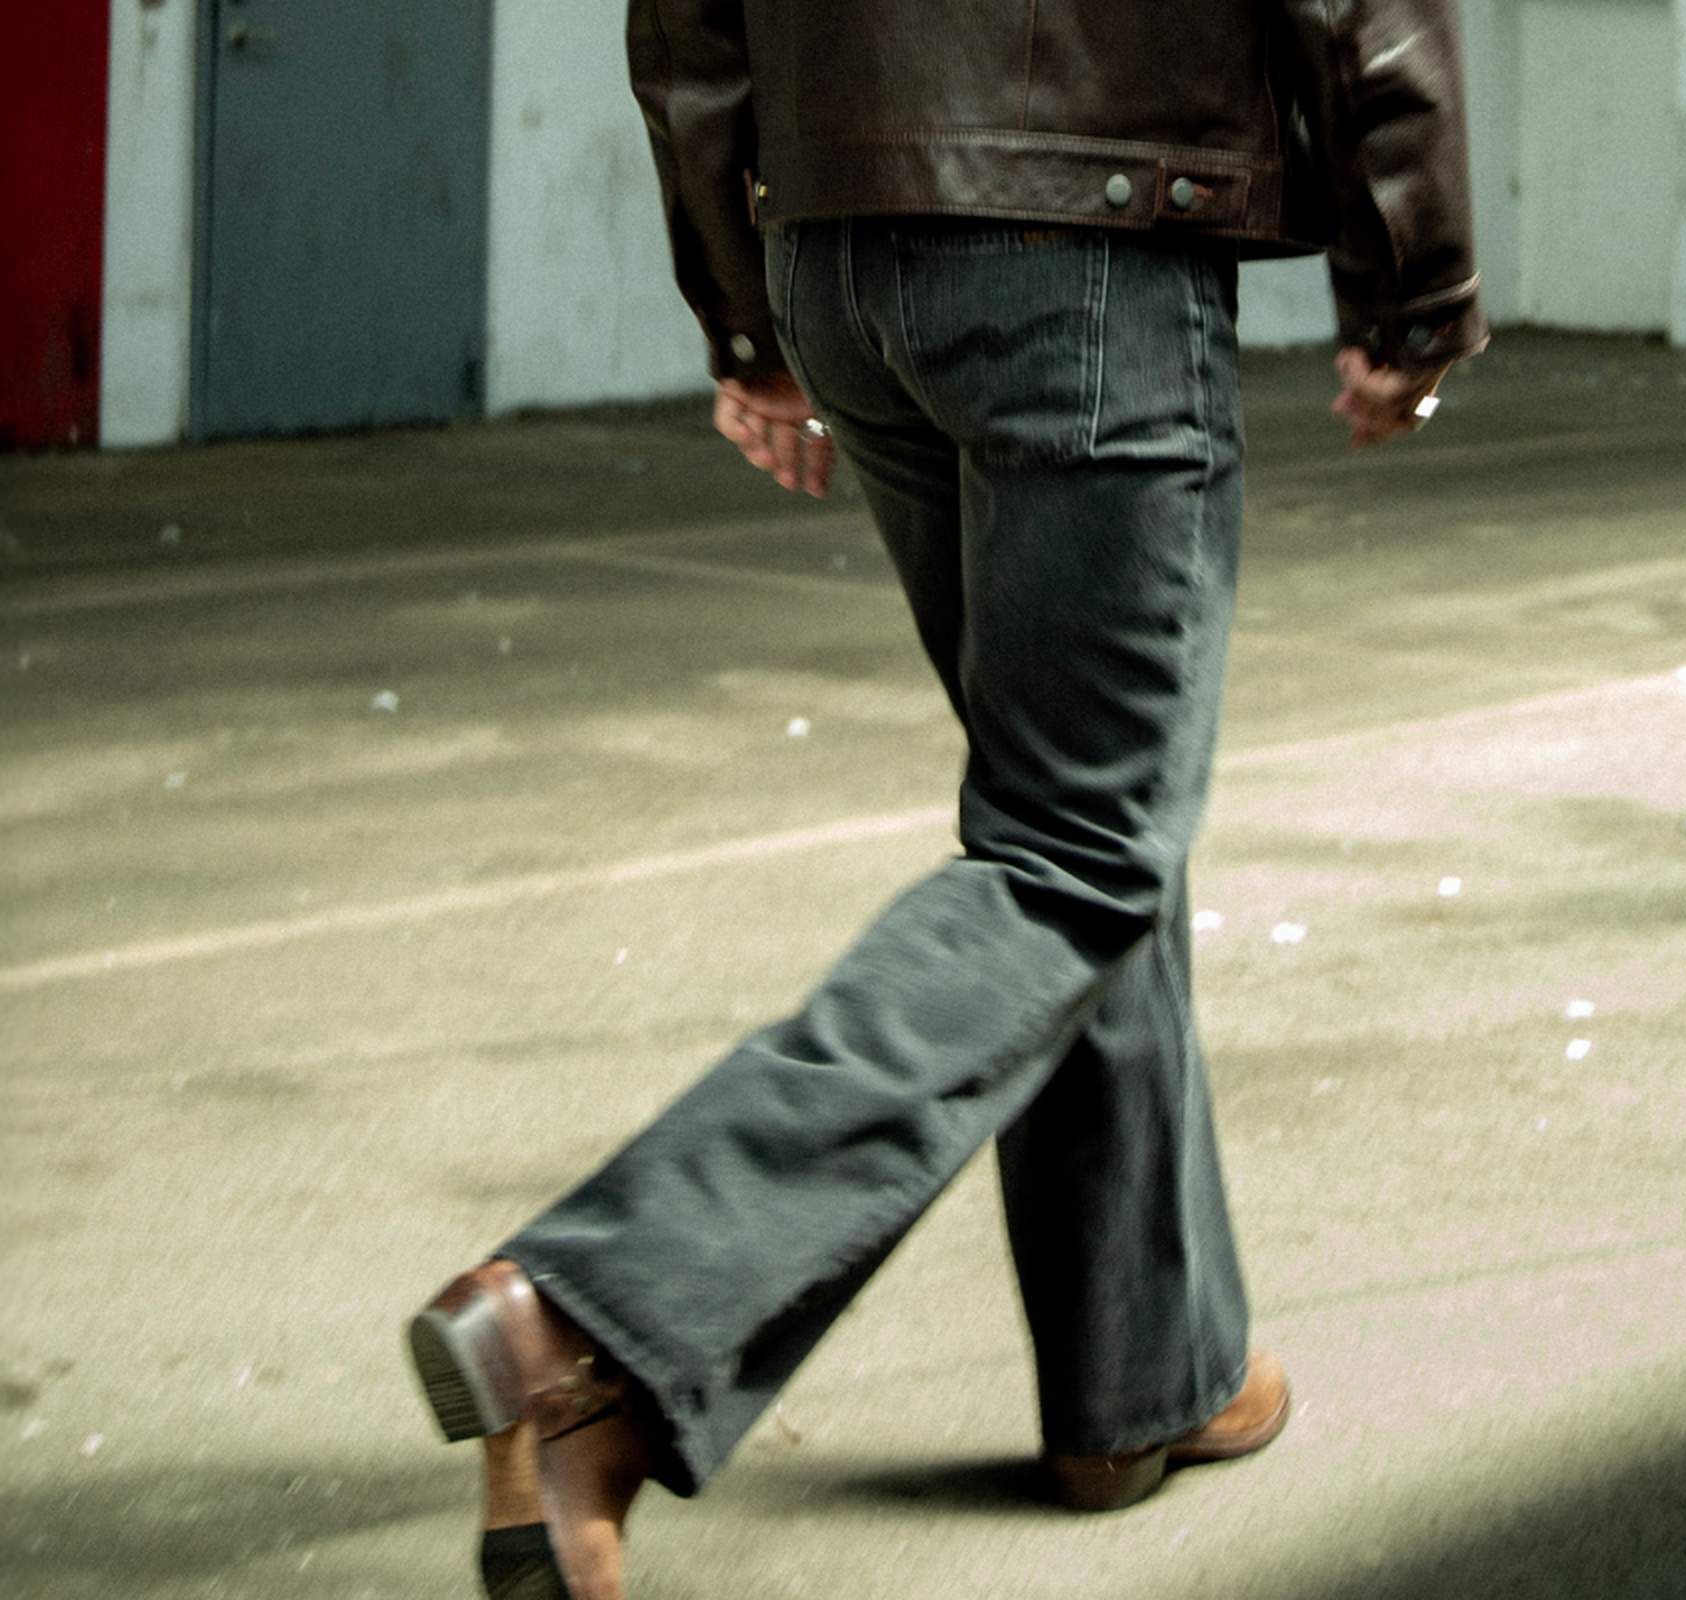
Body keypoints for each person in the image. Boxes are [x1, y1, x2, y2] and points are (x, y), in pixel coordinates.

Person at [407, 1, 1488, 1594]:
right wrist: (1419, 274)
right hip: (1086, 249)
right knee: (1075, 851)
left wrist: (747, 314)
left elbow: (687, 23)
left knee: (1078, 808)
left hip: (844, 248)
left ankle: (1147, 1382)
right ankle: (591, 1317)